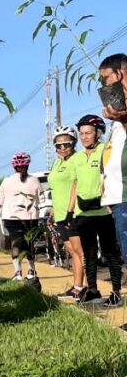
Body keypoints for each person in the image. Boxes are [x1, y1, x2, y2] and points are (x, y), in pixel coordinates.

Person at [71, 114, 123, 306]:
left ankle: (116, 292)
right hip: (83, 212)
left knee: (110, 253)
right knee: (89, 253)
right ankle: (92, 289)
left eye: (88, 133)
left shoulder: (105, 150)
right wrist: (71, 211)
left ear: (98, 133)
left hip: (104, 211)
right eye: (81, 133)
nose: (84, 137)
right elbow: (75, 184)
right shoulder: (77, 158)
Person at [48, 125, 86, 299]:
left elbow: (76, 185)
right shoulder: (57, 162)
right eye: (58, 145)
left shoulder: (77, 159)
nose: (62, 148)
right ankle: (76, 286)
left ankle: (84, 287)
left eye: (67, 144)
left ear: (74, 143)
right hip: (61, 214)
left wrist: (70, 211)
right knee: (71, 252)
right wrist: (53, 212)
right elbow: (55, 189)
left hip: (74, 213)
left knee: (80, 253)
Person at [99, 53, 127, 265]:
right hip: (119, 197)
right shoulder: (118, 116)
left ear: (120, 72)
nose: (104, 84)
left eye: (106, 77)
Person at [0, 152, 42, 280]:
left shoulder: (6, 181)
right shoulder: (34, 180)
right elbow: (41, 199)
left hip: (11, 217)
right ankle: (31, 270)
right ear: (28, 165)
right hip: (30, 217)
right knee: (28, 243)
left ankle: (17, 272)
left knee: (16, 242)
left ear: (13, 167)